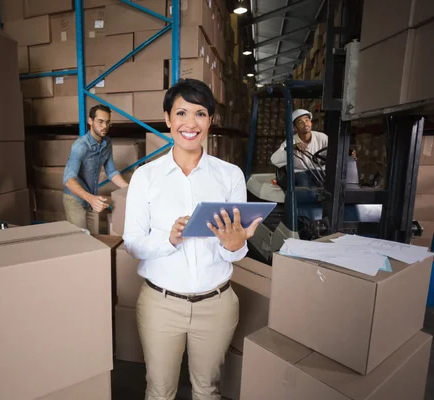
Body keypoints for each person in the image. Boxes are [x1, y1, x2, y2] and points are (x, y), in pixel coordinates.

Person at [122, 79, 262, 400]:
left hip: (216, 305)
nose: (190, 123)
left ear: (210, 121)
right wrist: (169, 239)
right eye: (181, 113)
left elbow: (234, 253)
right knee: (159, 391)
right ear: (168, 119)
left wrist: (235, 245)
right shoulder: (146, 177)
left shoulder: (229, 176)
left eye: (200, 114)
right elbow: (132, 242)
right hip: (161, 305)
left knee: (207, 390)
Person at [62, 104, 129, 230]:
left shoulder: (106, 143)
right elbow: (68, 180)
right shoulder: (80, 146)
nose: (104, 126)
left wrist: (129, 189)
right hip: (75, 199)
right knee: (82, 241)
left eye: (107, 122)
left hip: (92, 197)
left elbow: (111, 172)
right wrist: (90, 198)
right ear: (90, 121)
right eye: (100, 121)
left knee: (94, 239)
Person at [270, 109, 329, 187]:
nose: (305, 123)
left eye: (307, 120)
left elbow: (333, 152)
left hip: (319, 171)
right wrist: (291, 148)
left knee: (330, 183)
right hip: (300, 172)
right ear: (295, 127)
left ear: (311, 123)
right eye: (300, 122)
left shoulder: (322, 137)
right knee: (305, 185)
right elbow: (274, 159)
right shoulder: (291, 141)